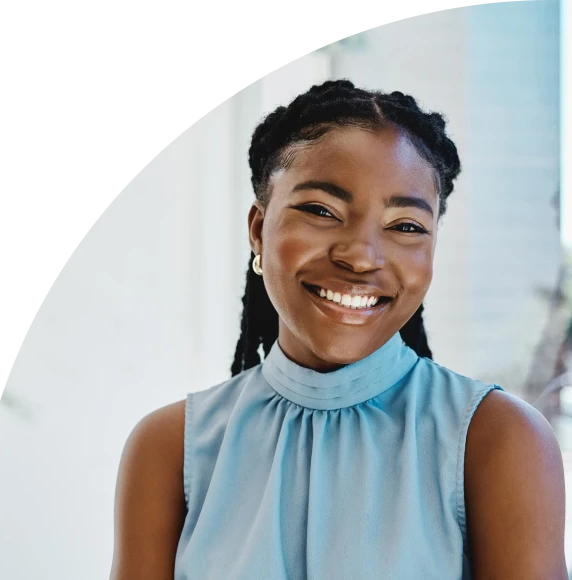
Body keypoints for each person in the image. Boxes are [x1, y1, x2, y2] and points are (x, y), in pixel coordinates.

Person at [109, 80, 567, 579]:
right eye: (322, 211)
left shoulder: (497, 440)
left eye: (406, 225)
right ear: (259, 228)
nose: (360, 256)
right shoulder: (170, 448)